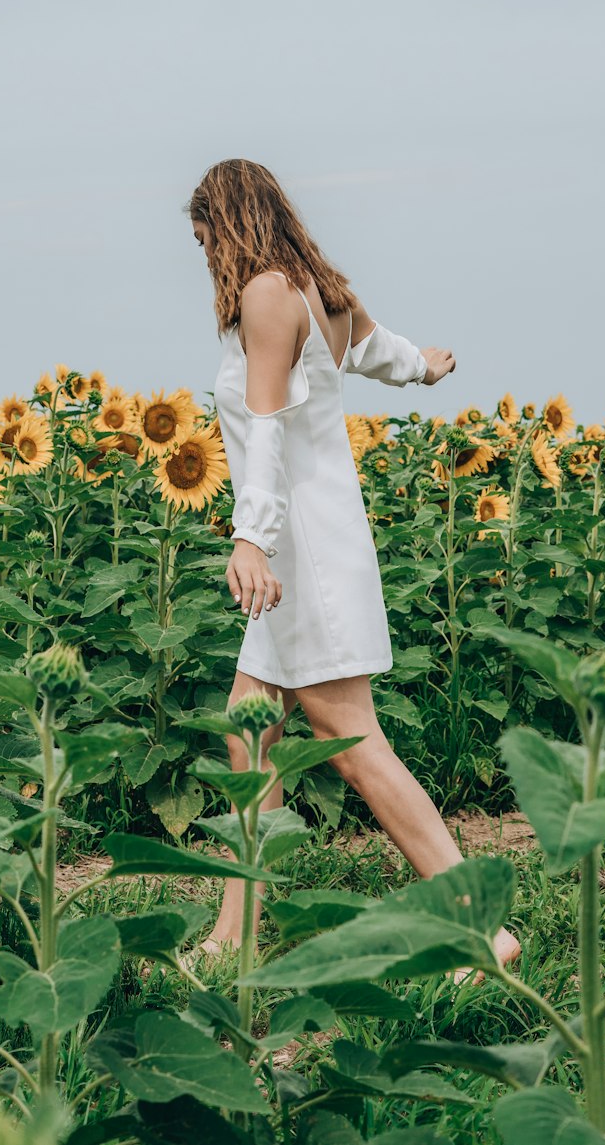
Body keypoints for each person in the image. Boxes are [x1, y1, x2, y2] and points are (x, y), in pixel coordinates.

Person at [187, 158, 520, 976]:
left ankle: (485, 930)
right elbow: (378, 348)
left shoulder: (267, 293)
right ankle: (234, 937)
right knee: (249, 734)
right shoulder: (319, 287)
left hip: (299, 551)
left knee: (351, 741)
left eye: (204, 240)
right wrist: (426, 366)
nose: (205, 260)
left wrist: (250, 537)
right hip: (317, 542)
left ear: (226, 225)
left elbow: (264, 425)